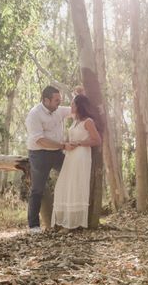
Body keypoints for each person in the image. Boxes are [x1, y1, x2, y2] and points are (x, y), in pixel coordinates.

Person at [25, 86, 71, 233]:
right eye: (56, 100)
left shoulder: (59, 110)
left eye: (60, 100)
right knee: (37, 189)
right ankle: (34, 225)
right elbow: (40, 140)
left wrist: (80, 95)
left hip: (57, 153)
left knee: (71, 174)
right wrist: (63, 145)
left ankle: (69, 216)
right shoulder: (34, 114)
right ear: (46, 100)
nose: (59, 103)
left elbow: (76, 110)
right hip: (39, 155)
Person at [51, 94, 102, 230]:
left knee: (76, 185)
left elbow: (97, 140)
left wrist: (79, 143)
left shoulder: (88, 121)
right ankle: (65, 220)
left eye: (73, 104)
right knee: (65, 184)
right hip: (70, 155)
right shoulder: (74, 121)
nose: (71, 106)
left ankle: (74, 223)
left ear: (79, 106)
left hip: (81, 155)